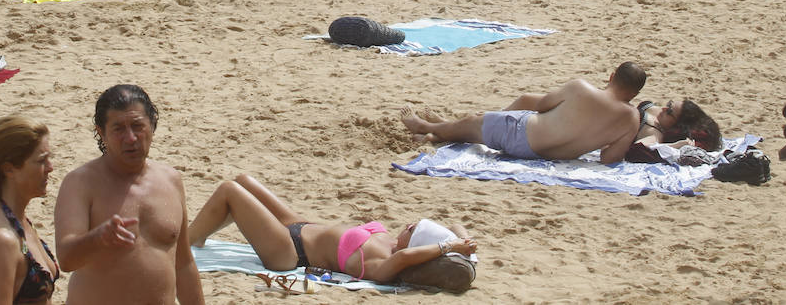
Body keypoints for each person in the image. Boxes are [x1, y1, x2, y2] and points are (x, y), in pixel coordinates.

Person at [189, 174, 476, 291]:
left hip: (289, 252)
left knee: (229, 191)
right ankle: (199, 235)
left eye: (413, 230)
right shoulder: (390, 243)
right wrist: (463, 243)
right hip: (298, 226)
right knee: (243, 181)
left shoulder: (384, 265)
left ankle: (187, 241)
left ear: (414, 248)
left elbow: (407, 258)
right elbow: (454, 228)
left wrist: (448, 248)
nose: (408, 225)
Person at [54, 85, 204, 305]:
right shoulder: (80, 183)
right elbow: (66, 259)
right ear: (101, 132)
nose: (131, 138)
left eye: (137, 126)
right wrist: (97, 239)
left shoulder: (171, 180)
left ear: (152, 125)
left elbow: (183, 263)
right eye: (119, 129)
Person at [400, 62, 649, 164]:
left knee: (476, 123)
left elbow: (542, 104)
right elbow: (610, 158)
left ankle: (427, 127)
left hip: (522, 135)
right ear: (635, 93)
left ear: (611, 76)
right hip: (551, 157)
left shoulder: (581, 88)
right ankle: (442, 131)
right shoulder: (631, 119)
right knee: (474, 127)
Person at [0, 116, 60, 305]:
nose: (50, 168)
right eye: (41, 161)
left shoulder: (16, 218)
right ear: (9, 169)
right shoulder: (0, 240)